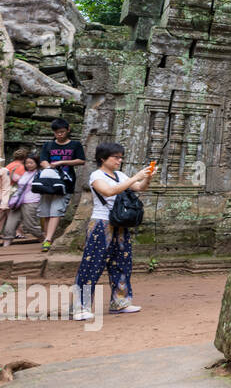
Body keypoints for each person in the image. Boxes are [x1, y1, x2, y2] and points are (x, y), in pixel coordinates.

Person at [73, 142, 154, 319]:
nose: (119, 160)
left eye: (120, 157)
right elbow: (108, 191)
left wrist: (147, 177)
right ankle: (80, 307)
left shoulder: (119, 175)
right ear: (103, 159)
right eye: (115, 157)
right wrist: (135, 177)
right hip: (101, 223)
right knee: (92, 264)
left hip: (120, 223)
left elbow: (140, 188)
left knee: (122, 263)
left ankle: (120, 301)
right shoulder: (96, 175)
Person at [37, 119, 85, 252]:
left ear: (68, 130)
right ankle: (47, 236)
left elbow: (81, 160)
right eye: (57, 133)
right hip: (47, 183)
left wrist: (61, 163)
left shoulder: (75, 145)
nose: (60, 135)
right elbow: (43, 160)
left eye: (62, 132)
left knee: (56, 211)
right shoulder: (48, 145)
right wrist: (49, 167)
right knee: (45, 212)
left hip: (65, 183)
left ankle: (48, 239)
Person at [2, 157, 40, 246]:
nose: (28, 165)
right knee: (10, 224)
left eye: (31, 163)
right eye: (27, 163)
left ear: (37, 163)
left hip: (31, 201)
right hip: (17, 202)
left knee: (30, 225)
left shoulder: (40, 174)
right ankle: (6, 244)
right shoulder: (25, 173)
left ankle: (43, 238)